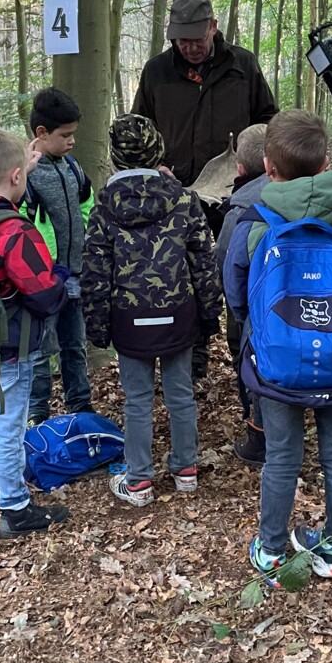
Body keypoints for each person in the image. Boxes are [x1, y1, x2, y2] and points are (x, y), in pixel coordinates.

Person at [223, 110, 332, 587]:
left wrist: (262, 331)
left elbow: (235, 290)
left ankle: (270, 547)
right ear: (326, 162)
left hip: (276, 361)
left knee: (282, 454)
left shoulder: (256, 220)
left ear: (267, 166)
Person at [81, 114, 223, 507]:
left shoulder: (104, 205)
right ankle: (185, 470)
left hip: (130, 320)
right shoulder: (182, 200)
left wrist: (96, 326)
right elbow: (203, 263)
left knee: (138, 399)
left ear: (115, 158)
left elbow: (94, 271)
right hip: (178, 313)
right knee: (180, 394)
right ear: (158, 151)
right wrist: (209, 315)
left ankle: (140, 480)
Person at [133, 0, 276, 377]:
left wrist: (253, 165)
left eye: (197, 38)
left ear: (213, 27)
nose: (191, 47)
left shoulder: (242, 65)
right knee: (181, 276)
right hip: (177, 191)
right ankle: (192, 358)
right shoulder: (156, 72)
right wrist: (155, 165)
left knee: (238, 270)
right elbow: (139, 129)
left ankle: (244, 355)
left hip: (236, 189)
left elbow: (268, 119)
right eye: (182, 41)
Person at [0, 130, 70, 540]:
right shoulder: (15, 231)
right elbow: (43, 295)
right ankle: (15, 508)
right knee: (8, 427)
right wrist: (59, 274)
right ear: (15, 177)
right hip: (10, 345)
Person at [24, 88, 95, 426]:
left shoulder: (72, 168)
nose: (71, 141)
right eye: (64, 135)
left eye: (73, 135)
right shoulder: (24, 174)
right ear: (41, 133)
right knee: (40, 349)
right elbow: (22, 222)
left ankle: (80, 406)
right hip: (42, 281)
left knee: (74, 344)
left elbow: (86, 204)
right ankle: (38, 412)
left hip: (75, 276)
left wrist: (84, 246)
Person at [215, 123, 269, 465]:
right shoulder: (321, 198)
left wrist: (238, 312)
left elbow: (226, 264)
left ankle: (258, 433)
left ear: (240, 168)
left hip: (255, 309)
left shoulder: (242, 211)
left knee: (253, 365)